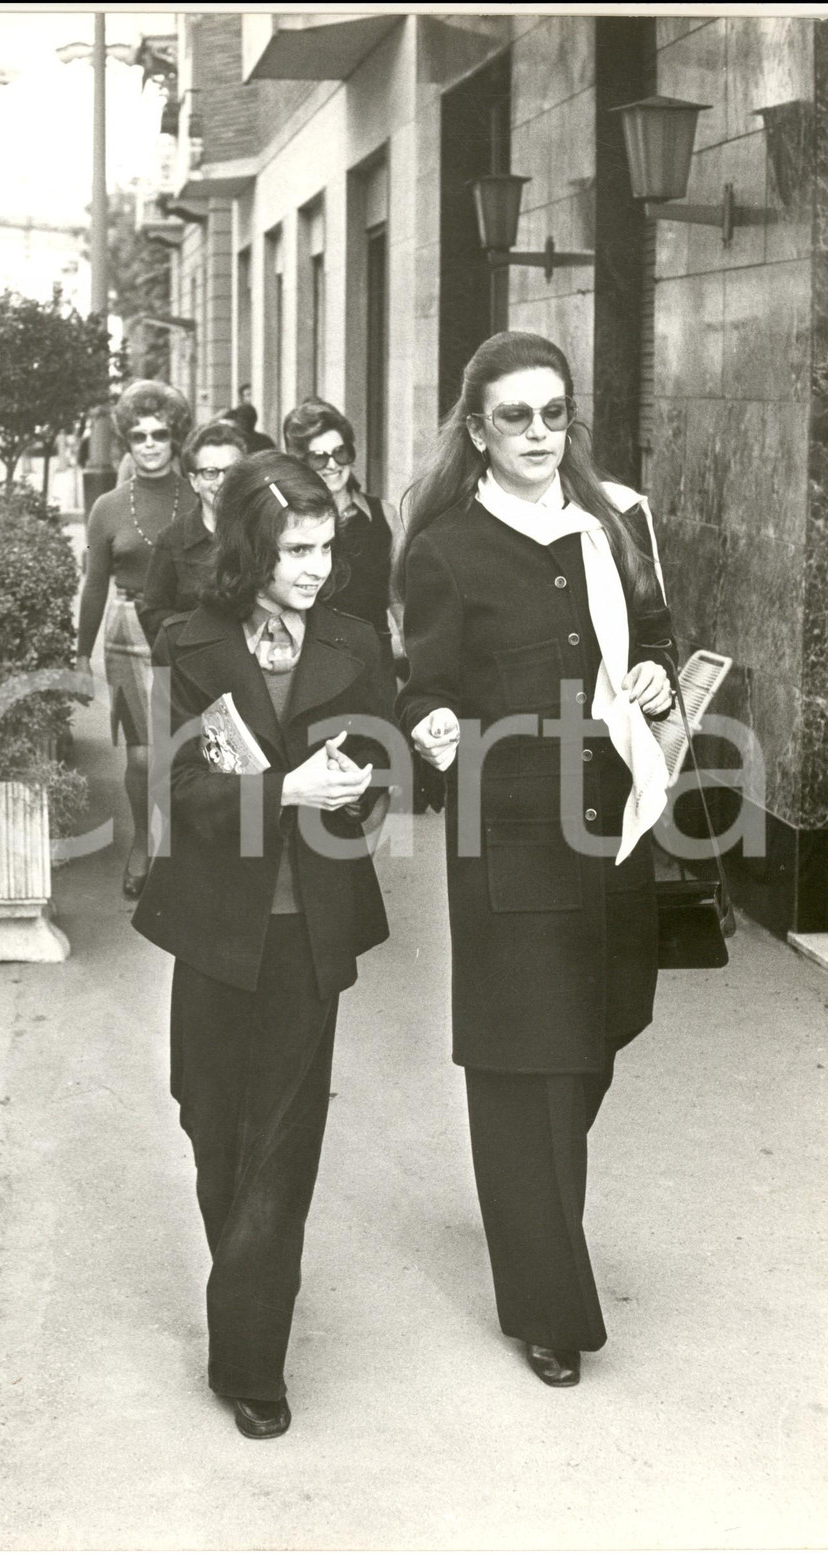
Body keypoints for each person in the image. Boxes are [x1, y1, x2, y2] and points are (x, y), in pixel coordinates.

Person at [395, 331, 677, 1388]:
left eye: (553, 413)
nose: (537, 434)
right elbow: (421, 688)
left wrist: (649, 678)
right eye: (514, 416)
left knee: (595, 1043)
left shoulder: (607, 523)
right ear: (476, 429)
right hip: (510, 831)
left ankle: (531, 1224)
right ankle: (549, 1309)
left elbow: (649, 635)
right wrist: (439, 739)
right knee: (528, 1071)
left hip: (611, 824)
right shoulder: (447, 550)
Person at [132, 450, 394, 1439]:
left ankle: (250, 1359)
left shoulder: (356, 638)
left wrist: (360, 779)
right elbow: (172, 785)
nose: (318, 566)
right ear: (251, 547)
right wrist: (275, 790)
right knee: (210, 1123)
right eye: (296, 549)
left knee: (282, 1142)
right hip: (210, 923)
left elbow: (380, 761)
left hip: (308, 924)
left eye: (326, 547)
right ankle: (248, 1281)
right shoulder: (187, 643)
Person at [76, 380, 193, 898]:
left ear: (176, 438)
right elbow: (94, 584)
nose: (149, 443)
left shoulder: (198, 496)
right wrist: (81, 656)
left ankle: (189, 849)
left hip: (187, 628)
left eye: (160, 433)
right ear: (126, 440)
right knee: (144, 757)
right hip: (126, 633)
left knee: (191, 748)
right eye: (139, 435)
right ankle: (146, 843)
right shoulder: (106, 507)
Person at [283, 397, 398, 680]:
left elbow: (400, 596)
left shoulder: (384, 515)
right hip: (310, 666)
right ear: (301, 463)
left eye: (340, 452)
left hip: (373, 664)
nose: (332, 465)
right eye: (319, 457)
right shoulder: (286, 521)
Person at [136, 417, 247, 652]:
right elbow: (153, 613)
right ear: (194, 481)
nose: (222, 481)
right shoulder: (171, 540)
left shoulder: (264, 533)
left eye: (232, 471)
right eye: (210, 472)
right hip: (194, 669)